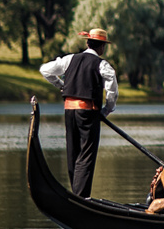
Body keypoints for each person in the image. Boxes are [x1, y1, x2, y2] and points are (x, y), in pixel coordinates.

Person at [40, 28, 119, 198]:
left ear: (87, 43)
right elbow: (112, 87)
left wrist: (62, 85)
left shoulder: (69, 59)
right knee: (86, 155)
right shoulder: (102, 64)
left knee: (73, 152)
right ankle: (81, 197)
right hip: (88, 112)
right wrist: (107, 109)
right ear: (102, 47)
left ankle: (76, 194)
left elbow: (45, 70)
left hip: (69, 111)